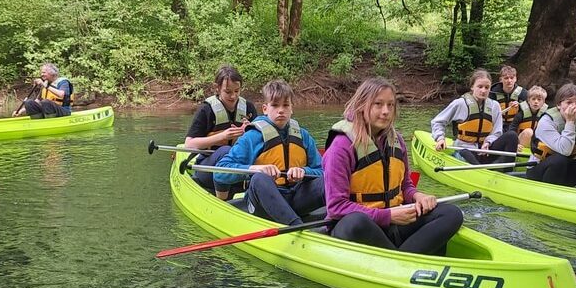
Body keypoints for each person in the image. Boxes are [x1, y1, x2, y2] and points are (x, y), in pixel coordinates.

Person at [323, 77, 463, 255]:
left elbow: (405, 186)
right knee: (356, 222)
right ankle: (406, 260)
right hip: (358, 227)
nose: (385, 111)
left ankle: (401, 256)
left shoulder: (397, 141)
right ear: (361, 105)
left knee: (451, 213)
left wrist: (418, 196)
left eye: (390, 105)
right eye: (378, 104)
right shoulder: (341, 146)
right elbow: (336, 207)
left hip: (392, 224)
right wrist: (387, 216)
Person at [214, 79, 325, 226]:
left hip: (295, 198)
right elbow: (220, 172)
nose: (281, 110)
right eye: (275, 105)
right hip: (263, 204)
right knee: (259, 179)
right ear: (265, 109)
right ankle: (296, 227)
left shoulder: (303, 136)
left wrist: (304, 172)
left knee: (329, 180)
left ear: (292, 108)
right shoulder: (252, 137)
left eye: (286, 105)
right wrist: (255, 169)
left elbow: (322, 171)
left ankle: (338, 219)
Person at [184, 64, 258, 198]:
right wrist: (222, 136)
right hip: (209, 169)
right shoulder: (206, 110)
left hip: (239, 167)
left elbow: (260, 142)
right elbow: (189, 144)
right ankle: (221, 200)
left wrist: (250, 132)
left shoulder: (248, 108)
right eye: (228, 92)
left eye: (237, 91)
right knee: (225, 151)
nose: (233, 96)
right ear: (217, 88)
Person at [526, 84, 576, 190]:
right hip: (540, 171)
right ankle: (550, 195)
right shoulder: (547, 121)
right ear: (559, 105)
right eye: (569, 102)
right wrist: (570, 122)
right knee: (559, 160)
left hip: (565, 170)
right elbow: (565, 150)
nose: (574, 106)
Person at [431, 69, 503, 164]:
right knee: (466, 153)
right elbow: (438, 122)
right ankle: (480, 170)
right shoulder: (460, 103)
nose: (483, 90)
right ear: (472, 87)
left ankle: (503, 169)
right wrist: (440, 138)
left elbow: (497, 132)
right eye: (480, 87)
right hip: (464, 149)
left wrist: (488, 142)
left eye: (487, 87)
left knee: (511, 136)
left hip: (485, 149)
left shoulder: (495, 106)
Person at [490, 85, 547, 155]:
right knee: (528, 132)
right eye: (533, 99)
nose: (536, 102)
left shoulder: (545, 116)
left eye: (539, 100)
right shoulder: (521, 114)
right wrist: (515, 144)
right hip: (521, 142)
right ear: (528, 100)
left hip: (537, 143)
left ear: (543, 102)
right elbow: (512, 129)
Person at [489, 65, 527, 130]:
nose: (509, 81)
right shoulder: (493, 93)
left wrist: (520, 105)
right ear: (501, 79)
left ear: (515, 79)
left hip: (515, 124)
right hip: (497, 124)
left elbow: (529, 109)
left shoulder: (523, 93)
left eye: (512, 78)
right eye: (506, 78)